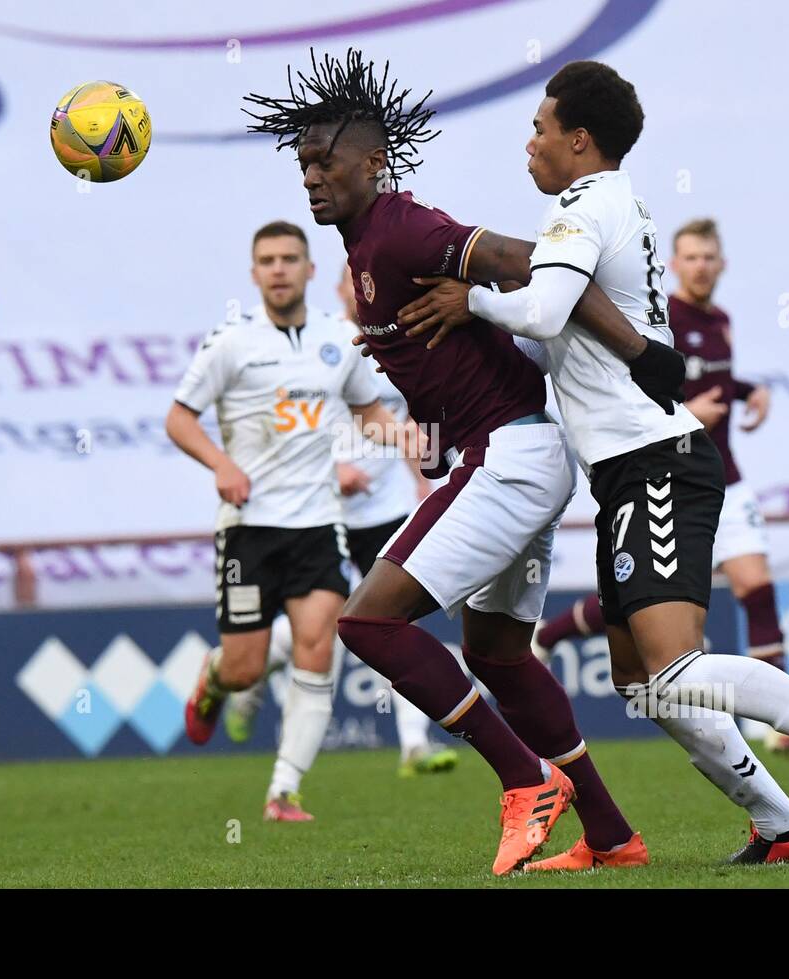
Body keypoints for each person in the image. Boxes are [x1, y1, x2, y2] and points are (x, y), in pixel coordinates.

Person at [398, 60, 789, 863]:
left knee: (676, 669)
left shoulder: (586, 203)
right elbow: (563, 347)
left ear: (579, 141)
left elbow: (543, 311)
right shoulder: (615, 207)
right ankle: (784, 825)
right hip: (626, 467)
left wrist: (468, 298)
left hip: (655, 459)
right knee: (644, 682)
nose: (530, 143)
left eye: (540, 129)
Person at [244, 49, 683, 874]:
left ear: (372, 162)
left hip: (510, 454)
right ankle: (613, 835)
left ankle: (525, 780)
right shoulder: (364, 250)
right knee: (496, 655)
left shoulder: (406, 228)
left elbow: (536, 263)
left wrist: (636, 348)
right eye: (302, 163)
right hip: (508, 454)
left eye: (325, 161)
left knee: (367, 621)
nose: (310, 176)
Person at [533, 217, 789, 753]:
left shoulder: (720, 319)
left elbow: (712, 379)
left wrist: (751, 390)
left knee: (758, 587)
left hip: (726, 478)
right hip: (670, 478)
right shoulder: (663, 317)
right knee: (645, 610)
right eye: (691, 257)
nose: (701, 266)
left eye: (709, 257)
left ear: (721, 264)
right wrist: (685, 412)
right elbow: (635, 384)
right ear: (673, 265)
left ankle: (781, 725)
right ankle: (551, 634)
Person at [167, 220, 401, 822]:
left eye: (289, 259)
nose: (278, 269)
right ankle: (215, 679)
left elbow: (370, 412)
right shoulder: (231, 343)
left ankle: (283, 791)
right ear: (254, 273)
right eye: (267, 260)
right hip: (248, 529)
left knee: (318, 648)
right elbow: (179, 419)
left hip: (319, 525)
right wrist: (220, 464)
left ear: (309, 269)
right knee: (245, 667)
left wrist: (423, 441)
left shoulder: (337, 337)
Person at [223, 264, 460, 778]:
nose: (366, 289)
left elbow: (408, 418)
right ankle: (251, 677)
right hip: (317, 507)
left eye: (372, 280)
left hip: (387, 507)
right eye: (356, 280)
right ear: (338, 290)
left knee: (398, 623)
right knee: (322, 630)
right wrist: (335, 467)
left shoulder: (403, 340)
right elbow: (281, 428)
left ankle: (414, 746)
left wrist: (419, 476)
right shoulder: (320, 345)